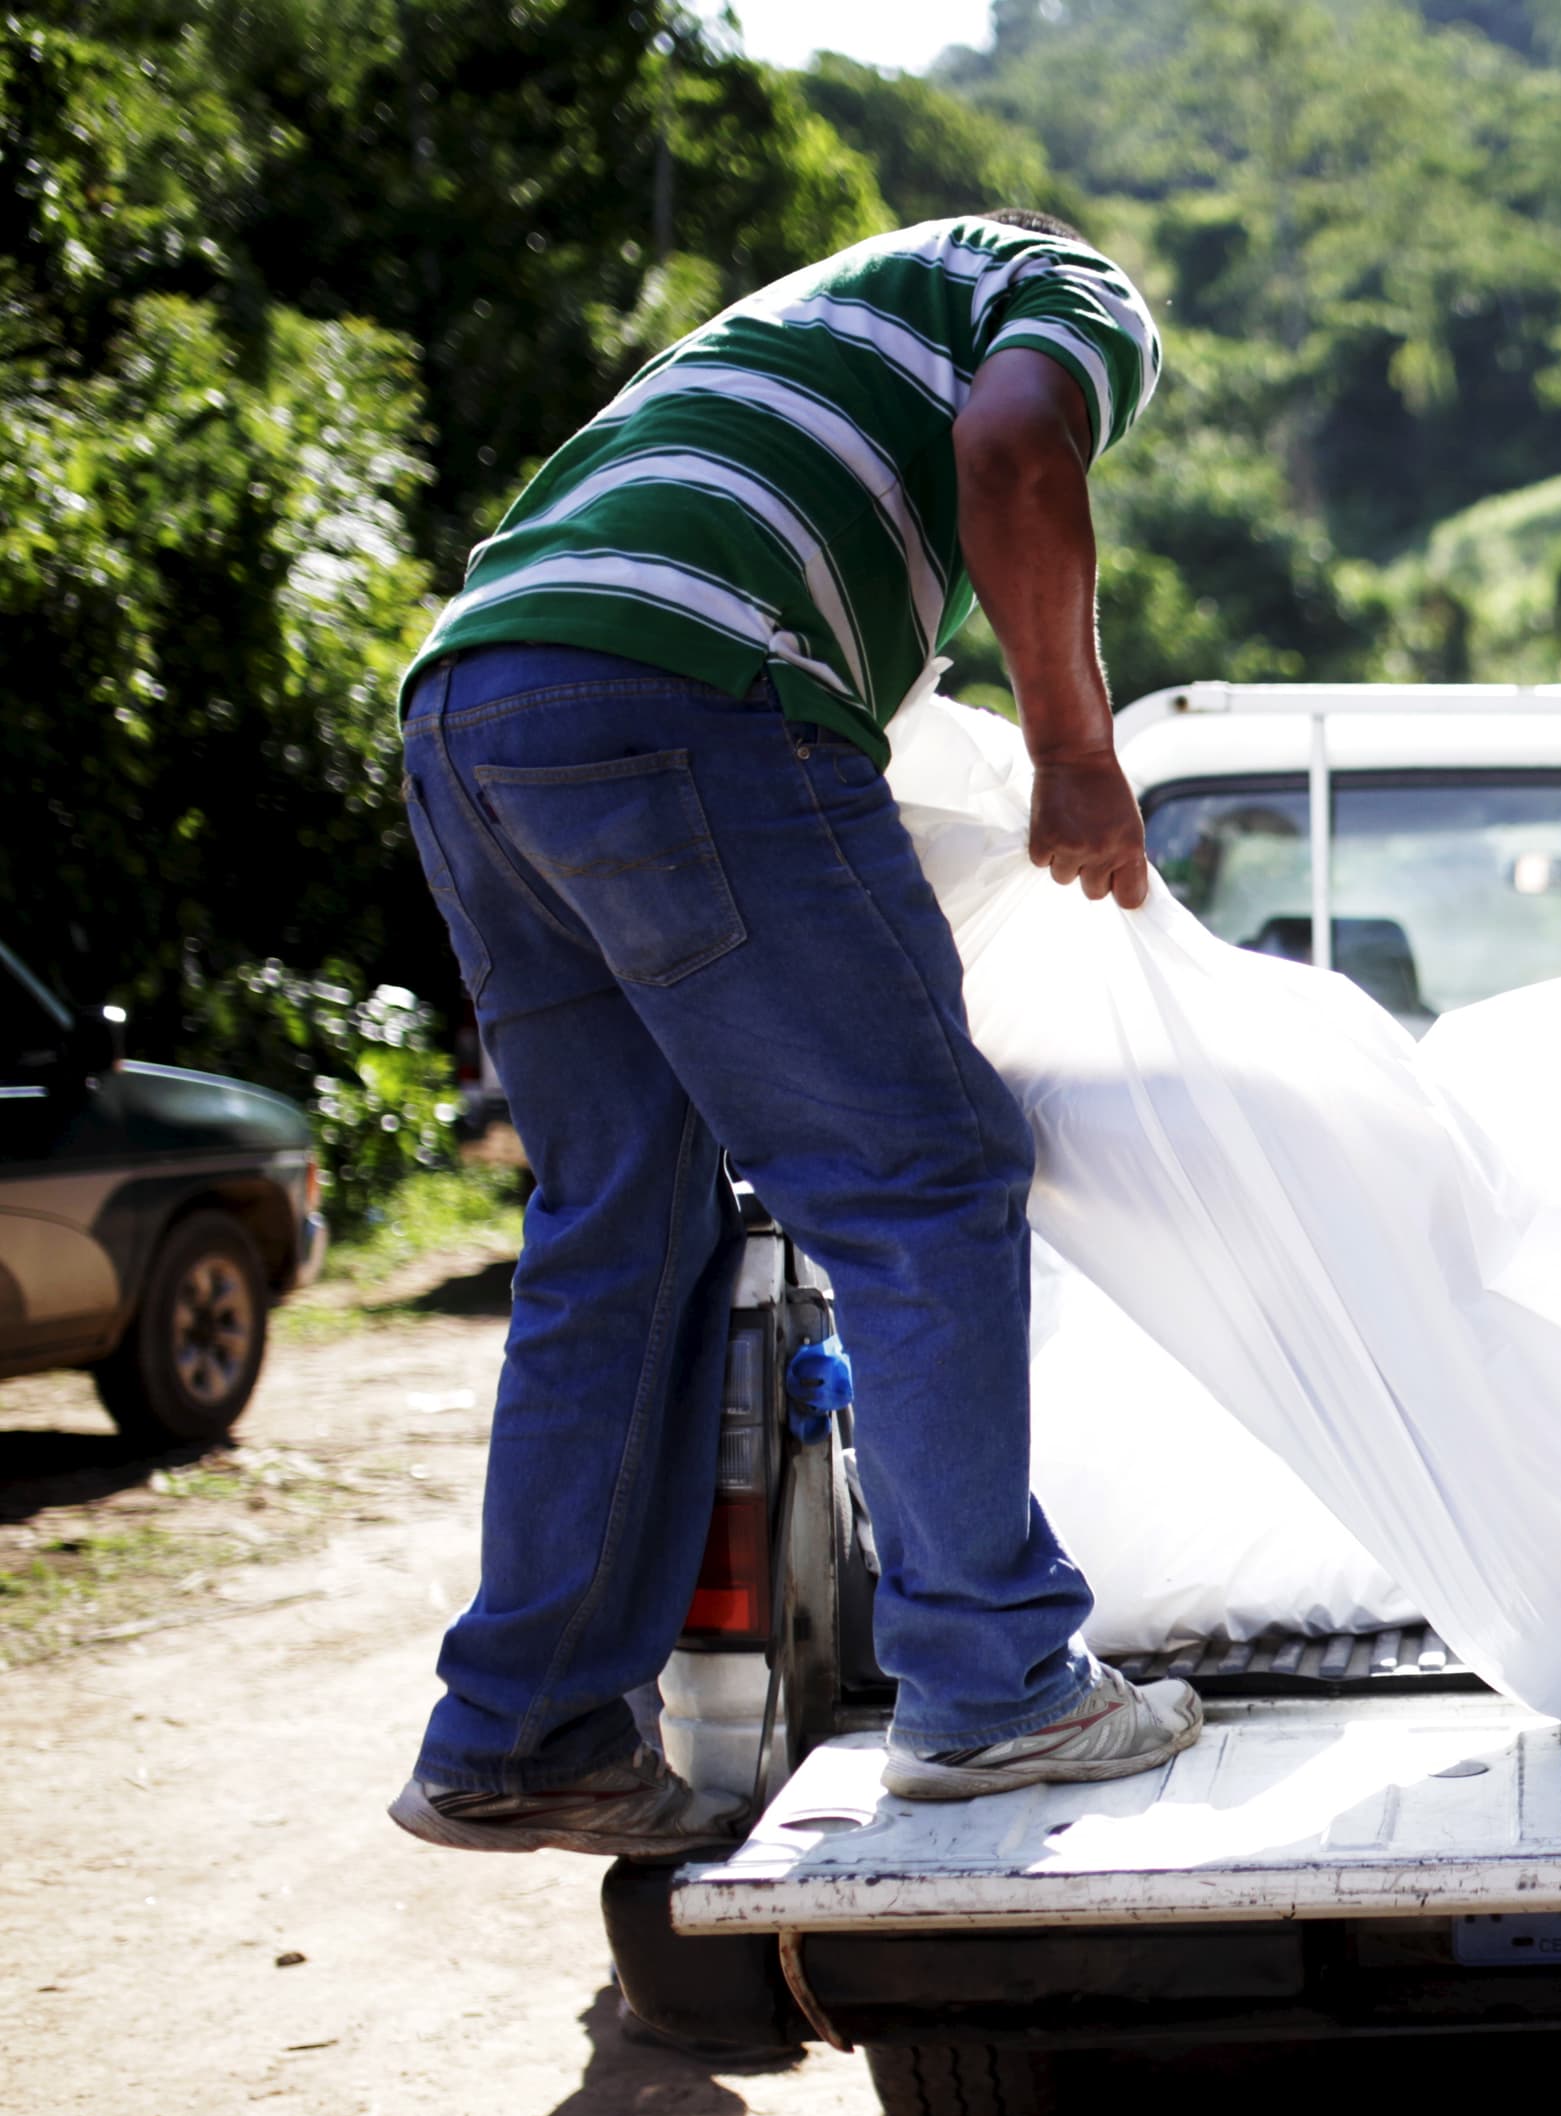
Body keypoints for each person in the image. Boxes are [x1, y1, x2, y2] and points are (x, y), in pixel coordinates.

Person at [387, 210, 1205, 1858]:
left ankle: (525, 1726)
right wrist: (1074, 753)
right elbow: (1017, 448)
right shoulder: (1049, 282)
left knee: (617, 1224)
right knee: (922, 1171)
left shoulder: (769, 338)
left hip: (476, 698)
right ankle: (993, 1684)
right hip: (685, 682)